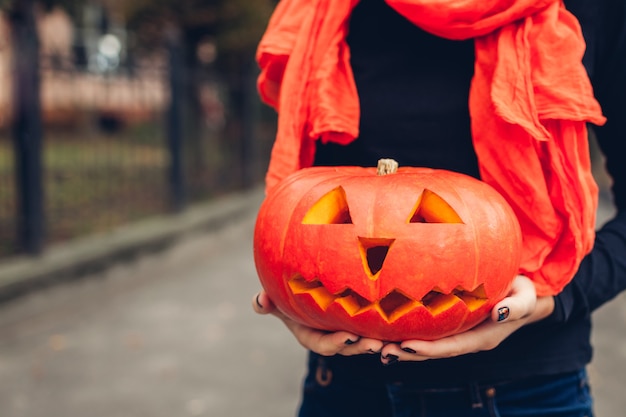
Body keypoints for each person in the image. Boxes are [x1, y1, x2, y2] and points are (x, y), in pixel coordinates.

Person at [252, 0, 626, 416]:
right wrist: (294, 301)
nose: (376, 250)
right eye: (344, 217)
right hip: (343, 388)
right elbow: (303, 227)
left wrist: (556, 299)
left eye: (425, 219)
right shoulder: (314, 10)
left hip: (526, 394)